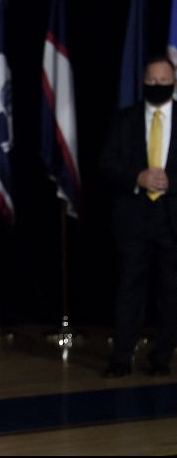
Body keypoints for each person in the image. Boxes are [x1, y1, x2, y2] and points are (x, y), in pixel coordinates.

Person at [100, 55, 177, 378]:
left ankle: (161, 357)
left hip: (171, 220)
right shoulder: (125, 119)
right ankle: (122, 357)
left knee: (171, 292)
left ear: (173, 82)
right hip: (133, 220)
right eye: (152, 81)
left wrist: (171, 181)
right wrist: (138, 177)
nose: (157, 86)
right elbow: (106, 164)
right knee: (129, 289)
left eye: (164, 81)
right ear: (143, 82)